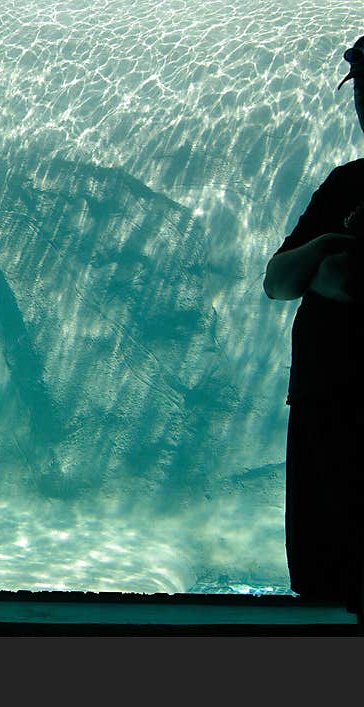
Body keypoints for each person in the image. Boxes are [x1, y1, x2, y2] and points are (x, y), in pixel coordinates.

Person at [263, 35, 363, 624]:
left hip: (349, 403)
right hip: (321, 404)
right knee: (323, 575)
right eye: (360, 92)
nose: (363, 105)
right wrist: (324, 248)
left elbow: (345, 283)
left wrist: (326, 270)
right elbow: (278, 280)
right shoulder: (345, 183)